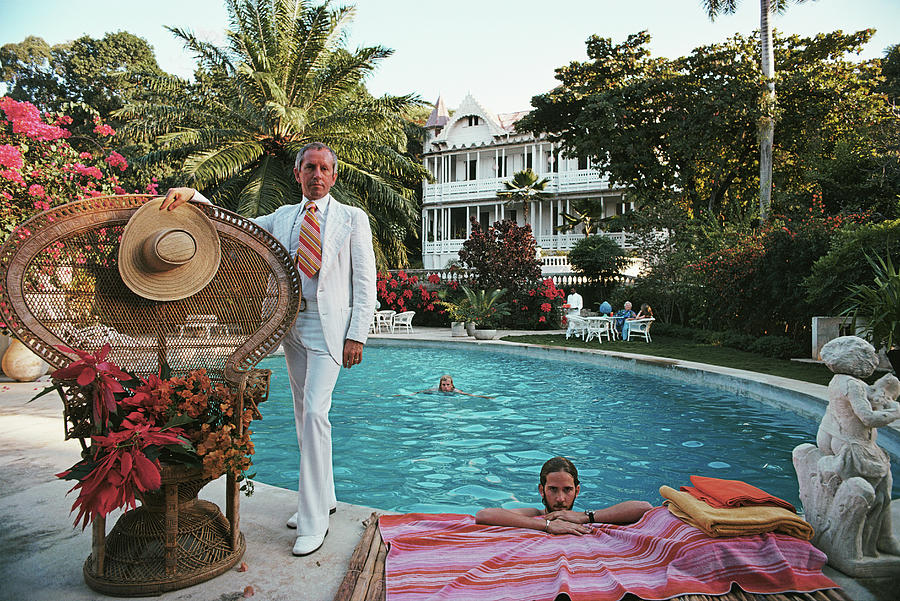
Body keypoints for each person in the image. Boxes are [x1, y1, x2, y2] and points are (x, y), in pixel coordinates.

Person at [160, 142, 376, 557]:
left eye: (324, 169)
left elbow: (365, 281)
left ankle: (313, 522)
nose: (316, 175)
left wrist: (357, 334)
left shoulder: (352, 219)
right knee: (303, 415)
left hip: (329, 326)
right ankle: (324, 498)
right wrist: (196, 199)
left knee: (316, 413)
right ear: (297, 174)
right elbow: (237, 226)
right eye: (309, 168)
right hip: (290, 323)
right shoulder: (282, 218)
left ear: (334, 175)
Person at [475, 456, 652, 535]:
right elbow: (485, 515)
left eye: (567, 490)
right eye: (553, 489)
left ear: (577, 490)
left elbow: (644, 508)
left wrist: (586, 517)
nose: (560, 499)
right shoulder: (536, 516)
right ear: (541, 490)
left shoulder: (586, 518)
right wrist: (546, 525)